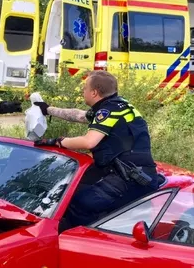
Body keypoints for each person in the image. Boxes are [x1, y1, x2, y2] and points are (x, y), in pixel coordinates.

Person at [32, 70, 160, 228]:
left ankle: (78, 241)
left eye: (85, 88)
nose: (82, 91)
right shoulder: (117, 106)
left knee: (80, 204)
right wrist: (48, 109)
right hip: (129, 172)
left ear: (94, 92)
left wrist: (58, 142)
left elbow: (89, 142)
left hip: (130, 177)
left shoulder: (109, 110)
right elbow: (79, 115)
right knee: (71, 191)